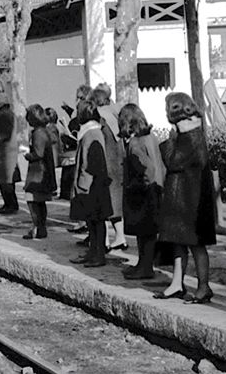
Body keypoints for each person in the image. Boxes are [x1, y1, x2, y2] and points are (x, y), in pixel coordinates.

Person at [156, 92, 217, 303]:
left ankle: (203, 286)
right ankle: (177, 283)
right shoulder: (193, 133)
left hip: (188, 201)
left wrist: (169, 142)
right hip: (186, 198)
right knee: (180, 243)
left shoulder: (187, 137)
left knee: (195, 245)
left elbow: (173, 161)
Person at [118, 103, 165, 280]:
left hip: (143, 194)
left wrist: (138, 185)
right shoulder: (149, 136)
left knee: (144, 233)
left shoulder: (136, 143)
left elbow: (147, 168)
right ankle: (142, 264)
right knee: (146, 232)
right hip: (154, 191)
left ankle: (145, 268)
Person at [68, 100, 112, 268]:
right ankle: (93, 252)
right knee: (91, 222)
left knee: (97, 222)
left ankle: (98, 254)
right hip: (88, 184)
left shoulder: (92, 134)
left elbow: (93, 164)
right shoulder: (88, 133)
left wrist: (84, 184)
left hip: (92, 186)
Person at [91, 86, 126, 252]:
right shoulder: (114, 110)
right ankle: (120, 236)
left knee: (103, 204)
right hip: (118, 161)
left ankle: (102, 241)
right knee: (115, 204)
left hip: (107, 163)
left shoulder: (100, 116)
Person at [22, 104, 56, 239]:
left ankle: (37, 227)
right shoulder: (44, 131)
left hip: (37, 172)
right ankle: (41, 228)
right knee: (40, 201)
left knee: (32, 200)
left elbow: (38, 153)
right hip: (44, 171)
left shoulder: (38, 133)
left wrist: (27, 155)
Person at [0, 103, 21, 215]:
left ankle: (11, 204)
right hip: (9, 151)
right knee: (7, 181)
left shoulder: (4, 115)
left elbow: (5, 134)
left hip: (5, 152)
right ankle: (10, 204)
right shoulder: (8, 114)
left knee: (6, 182)